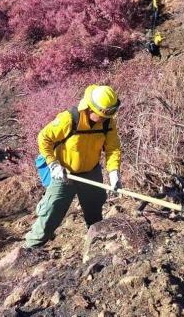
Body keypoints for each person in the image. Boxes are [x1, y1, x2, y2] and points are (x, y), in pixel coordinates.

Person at [24, 85, 122, 248]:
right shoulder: (69, 119)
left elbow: (113, 148)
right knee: (51, 210)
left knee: (95, 209)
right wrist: (53, 163)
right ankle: (32, 246)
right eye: (102, 115)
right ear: (90, 109)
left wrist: (113, 172)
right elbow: (44, 138)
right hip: (64, 173)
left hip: (91, 172)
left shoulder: (108, 123)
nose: (106, 119)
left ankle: (95, 242)